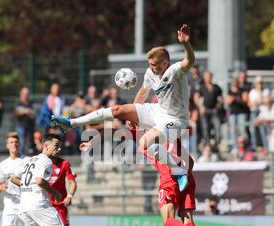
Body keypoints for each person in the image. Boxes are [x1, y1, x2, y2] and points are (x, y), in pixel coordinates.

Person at [52, 24, 195, 192]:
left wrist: (186, 44)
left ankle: (178, 171)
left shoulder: (175, 71)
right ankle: (72, 123)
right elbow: (143, 92)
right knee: (118, 110)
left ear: (165, 63)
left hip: (175, 119)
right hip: (157, 111)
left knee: (144, 142)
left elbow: (189, 60)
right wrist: (132, 115)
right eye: (149, 64)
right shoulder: (151, 73)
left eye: (154, 64)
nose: (151, 68)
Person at [80, 128, 202, 226]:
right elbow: (190, 161)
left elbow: (112, 131)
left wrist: (92, 142)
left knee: (168, 220)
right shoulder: (168, 126)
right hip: (187, 175)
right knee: (187, 218)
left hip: (170, 176)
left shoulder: (143, 130)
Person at [10, 134, 81, 226]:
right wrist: (55, 193)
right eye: (56, 146)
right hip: (39, 204)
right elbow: (40, 181)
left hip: (24, 207)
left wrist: (26, 186)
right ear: (46, 146)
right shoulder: (46, 161)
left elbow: (13, 178)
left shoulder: (30, 160)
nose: (59, 148)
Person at [37, 149, 77, 226]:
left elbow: (72, 182)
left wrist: (69, 195)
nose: (59, 149)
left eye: (59, 146)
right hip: (45, 205)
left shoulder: (64, 163)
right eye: (56, 146)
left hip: (60, 206)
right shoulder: (41, 163)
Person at [14, 86, 36, 155]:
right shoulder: (18, 103)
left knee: (29, 144)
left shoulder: (31, 103)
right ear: (21, 94)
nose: (25, 95)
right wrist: (26, 111)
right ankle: (20, 157)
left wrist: (25, 111)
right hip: (20, 126)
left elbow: (34, 114)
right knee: (21, 143)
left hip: (30, 126)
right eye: (24, 93)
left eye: (27, 94)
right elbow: (16, 113)